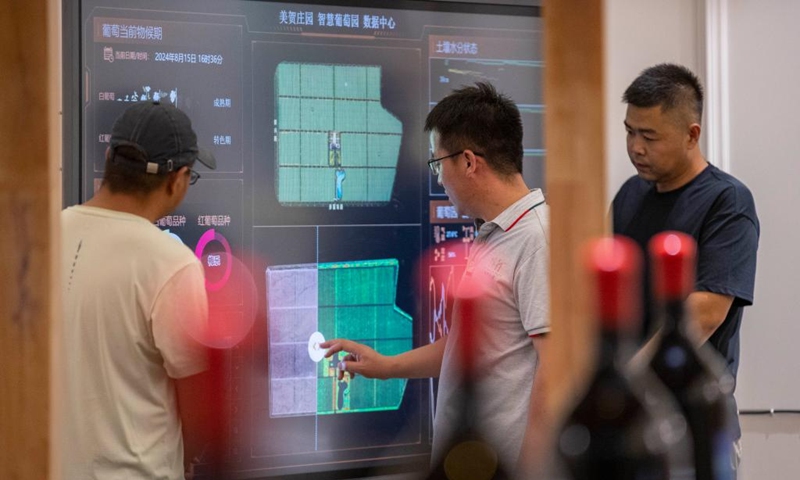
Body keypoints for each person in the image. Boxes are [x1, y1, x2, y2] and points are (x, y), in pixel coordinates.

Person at [321, 82, 550, 476]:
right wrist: (387, 366)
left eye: (436, 163)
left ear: (467, 162)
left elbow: (556, 369)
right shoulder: (495, 233)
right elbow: (472, 348)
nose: (438, 179)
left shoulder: (536, 240)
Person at [612, 63, 759, 473]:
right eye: (629, 131)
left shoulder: (727, 203)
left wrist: (628, 379)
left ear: (692, 134)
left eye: (649, 136)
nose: (635, 147)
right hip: (634, 422)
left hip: (695, 424)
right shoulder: (629, 196)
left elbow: (705, 313)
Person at [60, 101, 217, 479]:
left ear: (109, 156)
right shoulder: (171, 263)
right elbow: (197, 413)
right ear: (177, 180)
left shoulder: (46, 233)